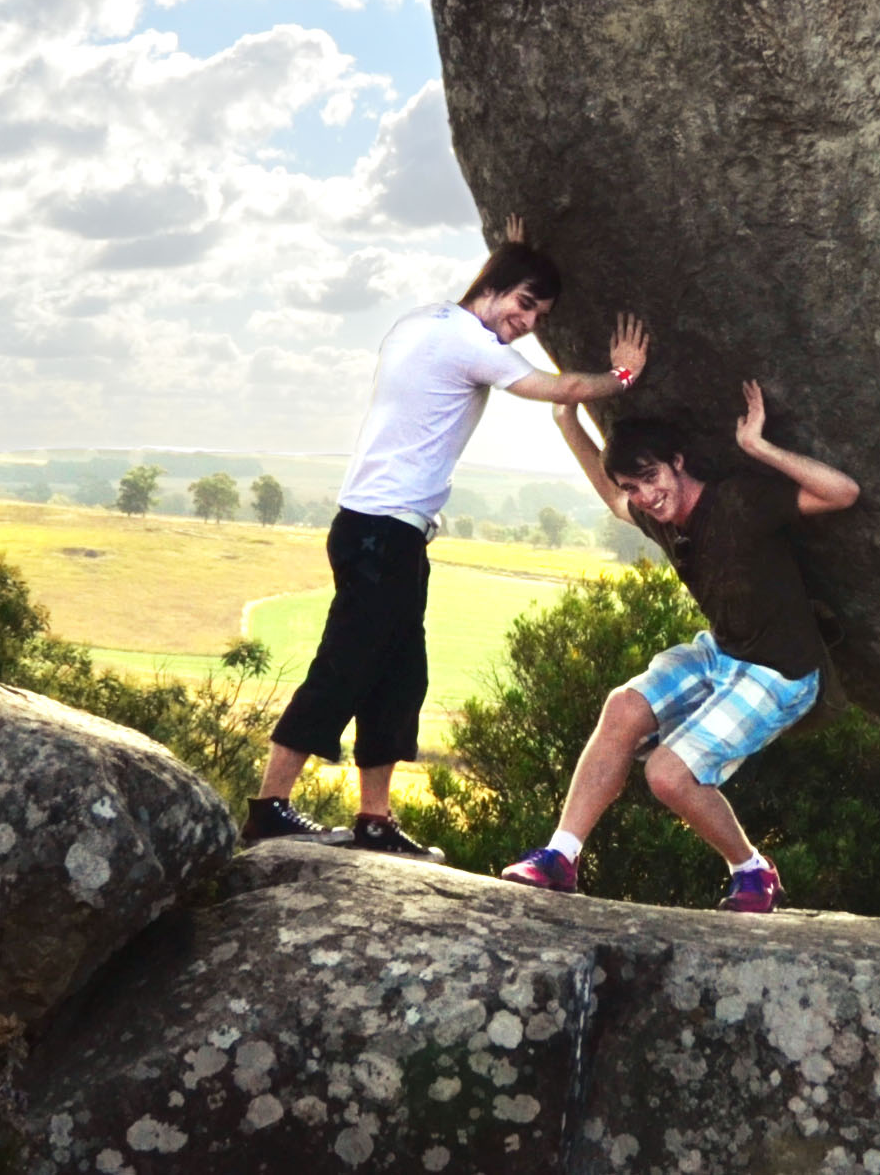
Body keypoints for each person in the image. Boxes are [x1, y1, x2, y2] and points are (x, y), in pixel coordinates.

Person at [245, 219, 634, 853]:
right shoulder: (467, 343)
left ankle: (375, 821)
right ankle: (269, 808)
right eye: (524, 304)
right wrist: (623, 377)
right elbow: (560, 388)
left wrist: (509, 253)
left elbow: (495, 306)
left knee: (399, 674)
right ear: (495, 286)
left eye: (539, 316)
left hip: (387, 534)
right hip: (381, 533)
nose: (527, 322)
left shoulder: (421, 323)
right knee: (345, 665)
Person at [498, 367, 858, 910]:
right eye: (633, 487)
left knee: (668, 775)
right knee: (623, 707)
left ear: (679, 462)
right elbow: (611, 497)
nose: (645, 496)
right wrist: (566, 416)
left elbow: (843, 493)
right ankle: (560, 858)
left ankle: (753, 871)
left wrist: (758, 446)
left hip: (779, 672)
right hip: (722, 654)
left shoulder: (738, 504)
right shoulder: (660, 518)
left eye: (651, 477)